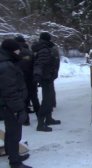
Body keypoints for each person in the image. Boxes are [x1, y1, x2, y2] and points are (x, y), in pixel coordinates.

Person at [0, 39, 32, 168]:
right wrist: (18, 109)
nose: (19, 52)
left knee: (11, 131)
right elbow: (10, 90)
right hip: (10, 105)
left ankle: (13, 154)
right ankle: (15, 162)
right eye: (17, 49)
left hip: (6, 104)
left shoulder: (6, 62)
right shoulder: (6, 66)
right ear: (11, 50)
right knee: (14, 133)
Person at [32, 32, 60, 132]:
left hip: (49, 77)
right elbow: (39, 64)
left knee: (50, 99)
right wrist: (38, 76)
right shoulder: (44, 49)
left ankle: (48, 119)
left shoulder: (46, 47)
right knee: (47, 101)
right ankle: (40, 124)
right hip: (46, 78)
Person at [15, 36, 40, 126]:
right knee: (34, 99)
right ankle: (40, 117)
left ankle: (26, 120)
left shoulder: (16, 53)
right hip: (31, 79)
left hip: (21, 80)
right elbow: (35, 65)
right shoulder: (30, 52)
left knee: (24, 100)